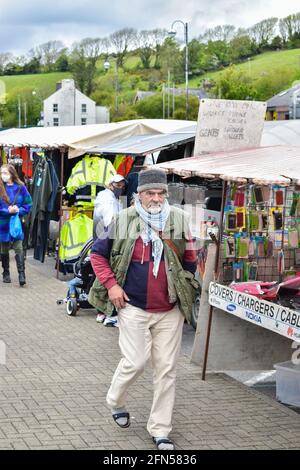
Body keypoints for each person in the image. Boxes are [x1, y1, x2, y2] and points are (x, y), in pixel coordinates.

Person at [89, 168, 197, 450]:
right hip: (132, 305)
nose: (156, 198)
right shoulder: (124, 220)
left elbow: (190, 260)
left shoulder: (179, 219)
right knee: (135, 362)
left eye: (161, 193)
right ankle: (115, 400)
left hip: (169, 309)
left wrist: (187, 289)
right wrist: (112, 285)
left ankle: (160, 430)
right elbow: (97, 255)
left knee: (167, 370)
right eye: (150, 192)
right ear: (138, 195)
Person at [93, 173, 126, 326]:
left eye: (122, 185)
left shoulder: (113, 199)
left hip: (104, 238)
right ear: (110, 184)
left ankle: (102, 311)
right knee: (109, 277)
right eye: (117, 185)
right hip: (106, 240)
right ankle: (108, 313)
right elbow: (111, 219)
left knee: (104, 277)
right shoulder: (107, 198)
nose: (120, 187)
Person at [0, 164, 32, 286]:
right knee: (4, 248)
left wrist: (19, 210)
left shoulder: (21, 188)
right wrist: (7, 211)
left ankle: (21, 274)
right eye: (1, 173)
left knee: (18, 247)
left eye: (5, 173)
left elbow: (28, 204)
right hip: (3, 222)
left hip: (16, 222)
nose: (3, 175)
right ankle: (6, 272)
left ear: (12, 174)